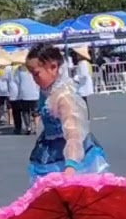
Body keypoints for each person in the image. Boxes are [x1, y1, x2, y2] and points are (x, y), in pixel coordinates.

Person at [25, 44, 109, 183]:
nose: (34, 79)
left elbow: (74, 131)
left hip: (68, 154)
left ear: (53, 67)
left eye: (36, 73)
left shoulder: (64, 96)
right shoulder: (47, 93)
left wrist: (71, 164)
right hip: (50, 150)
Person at [13, 53, 40, 135]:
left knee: (25, 111)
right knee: (35, 111)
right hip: (35, 93)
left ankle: (28, 127)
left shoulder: (19, 69)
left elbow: (16, 81)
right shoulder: (35, 68)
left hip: (24, 93)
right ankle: (36, 127)